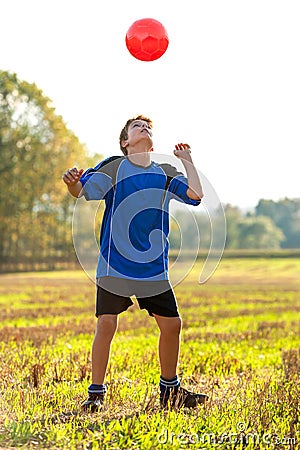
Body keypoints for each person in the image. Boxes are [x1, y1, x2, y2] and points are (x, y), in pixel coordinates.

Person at [62, 115, 208, 411]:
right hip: (115, 264)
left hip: (152, 267)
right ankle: (96, 394)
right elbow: (82, 192)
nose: (145, 129)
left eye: (148, 127)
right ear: (125, 142)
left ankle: (170, 391)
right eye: (136, 127)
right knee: (106, 324)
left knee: (172, 326)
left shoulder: (166, 172)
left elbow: (195, 195)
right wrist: (72, 184)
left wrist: (187, 160)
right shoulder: (114, 167)